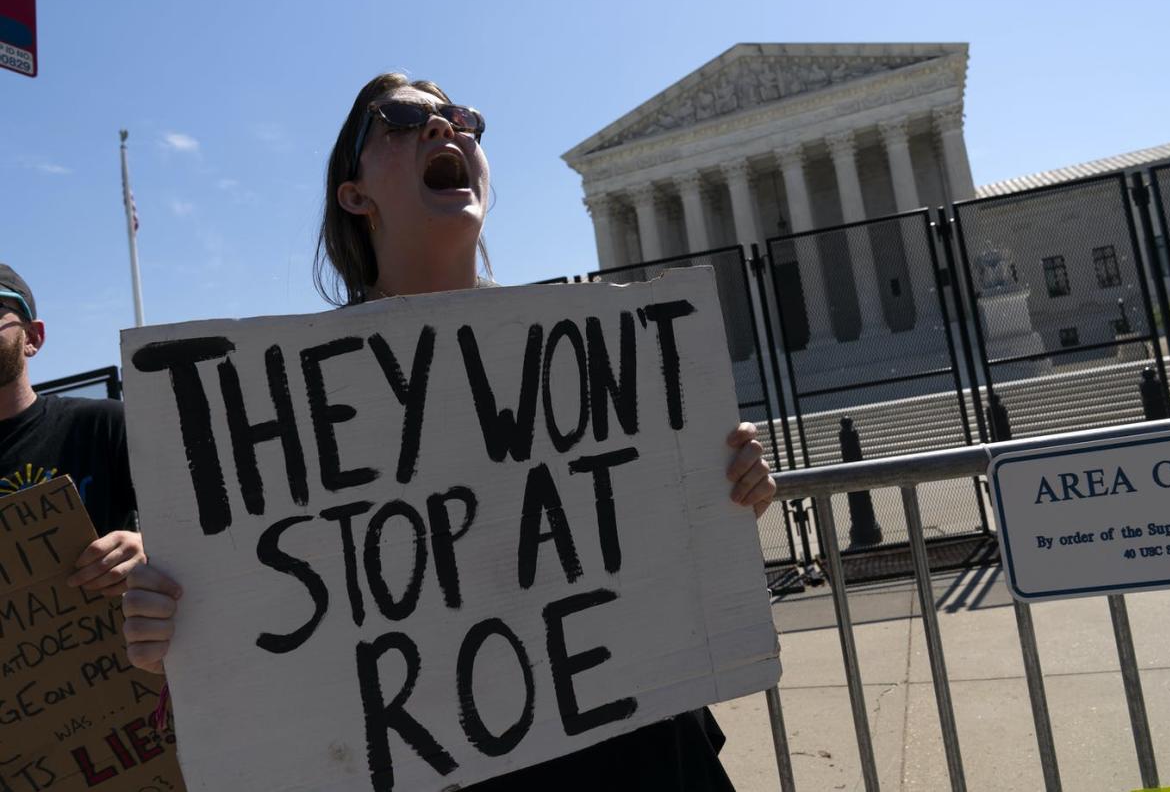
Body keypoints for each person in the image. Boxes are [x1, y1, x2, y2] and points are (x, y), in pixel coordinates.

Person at [122, 74, 777, 790]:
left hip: (641, 750)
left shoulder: (588, 350)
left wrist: (723, 482)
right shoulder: (298, 402)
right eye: (403, 120)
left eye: (462, 118)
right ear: (355, 194)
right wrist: (183, 629)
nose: (445, 130)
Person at [0, 263, 146, 595]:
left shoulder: (102, 425)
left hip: (112, 643)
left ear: (33, 337)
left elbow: (195, 532)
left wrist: (144, 549)